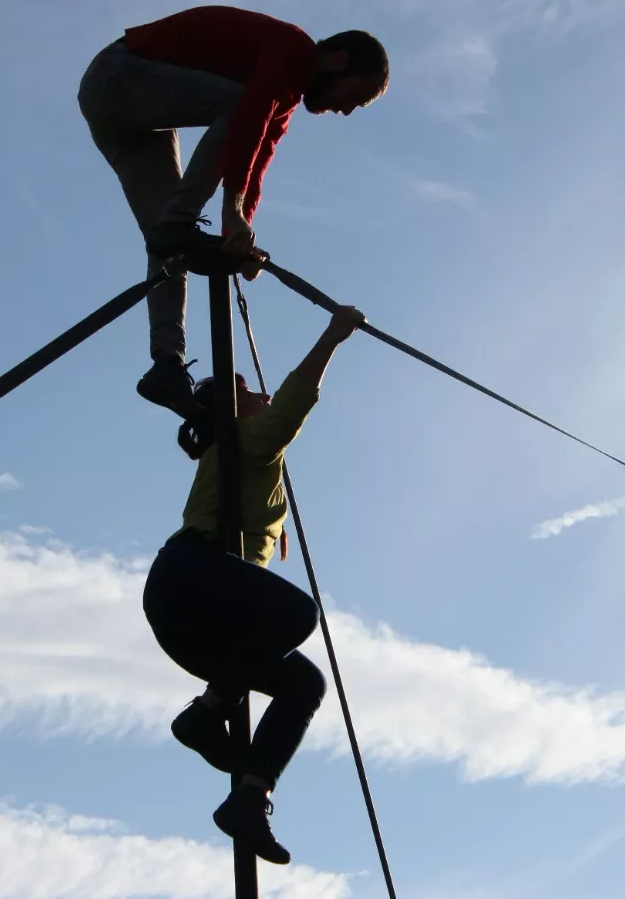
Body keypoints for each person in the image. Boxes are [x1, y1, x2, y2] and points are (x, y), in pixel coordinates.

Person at [77, 6, 388, 417]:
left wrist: (237, 234)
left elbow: (256, 158)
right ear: (338, 60)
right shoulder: (291, 49)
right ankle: (179, 220)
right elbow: (246, 120)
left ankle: (166, 363)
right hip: (118, 76)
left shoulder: (283, 101)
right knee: (229, 128)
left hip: (128, 116)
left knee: (168, 242)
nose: (345, 110)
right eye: (353, 96)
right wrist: (232, 214)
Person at [141, 304, 365, 865]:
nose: (258, 392)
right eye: (245, 388)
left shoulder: (244, 450)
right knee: (298, 615)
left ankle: (250, 796)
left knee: (304, 683)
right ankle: (207, 709)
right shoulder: (245, 439)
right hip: (190, 579)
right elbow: (293, 402)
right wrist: (333, 335)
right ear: (235, 409)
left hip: (204, 620)